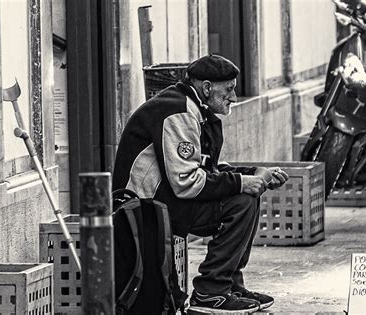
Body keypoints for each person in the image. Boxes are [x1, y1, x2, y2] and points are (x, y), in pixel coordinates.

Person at [112, 54, 289, 313]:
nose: (234, 97)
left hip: (165, 201)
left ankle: (228, 285)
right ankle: (210, 292)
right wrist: (242, 182)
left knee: (247, 194)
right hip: (145, 212)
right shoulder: (179, 111)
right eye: (228, 90)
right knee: (240, 201)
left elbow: (206, 170)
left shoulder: (197, 110)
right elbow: (186, 182)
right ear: (206, 87)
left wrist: (253, 174)